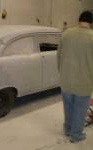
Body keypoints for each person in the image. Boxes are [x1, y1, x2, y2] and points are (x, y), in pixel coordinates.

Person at [57, 10, 93, 143]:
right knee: (80, 109)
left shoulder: (66, 33)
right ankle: (76, 135)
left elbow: (58, 55)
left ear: (79, 21)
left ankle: (68, 129)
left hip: (66, 81)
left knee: (68, 107)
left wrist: (62, 73)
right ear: (91, 23)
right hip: (84, 83)